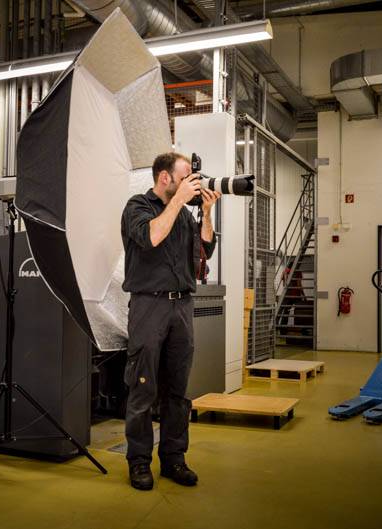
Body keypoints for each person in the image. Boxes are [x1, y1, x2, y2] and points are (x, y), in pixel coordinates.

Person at [120, 152, 220, 491]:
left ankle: (174, 459)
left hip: (182, 307)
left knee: (177, 391)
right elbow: (150, 237)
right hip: (149, 306)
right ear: (165, 178)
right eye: (184, 175)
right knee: (143, 387)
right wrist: (178, 201)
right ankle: (138, 462)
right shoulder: (138, 207)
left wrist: (206, 214)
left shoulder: (184, 216)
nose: (191, 180)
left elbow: (205, 250)